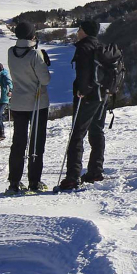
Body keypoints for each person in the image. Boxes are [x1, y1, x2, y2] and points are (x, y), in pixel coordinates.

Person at [58, 19, 106, 191]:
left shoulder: (83, 47)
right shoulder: (100, 46)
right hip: (102, 96)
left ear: (84, 31)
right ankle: (95, 171)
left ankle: (72, 177)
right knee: (97, 132)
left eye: (79, 29)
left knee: (77, 135)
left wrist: (82, 90)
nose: (77, 32)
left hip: (87, 97)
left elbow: (83, 72)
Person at [7, 21, 51, 194]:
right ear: (33, 35)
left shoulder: (11, 52)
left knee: (18, 143)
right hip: (37, 103)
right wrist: (44, 63)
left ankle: (14, 181)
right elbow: (45, 79)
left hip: (18, 102)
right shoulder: (35, 54)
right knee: (36, 142)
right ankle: (34, 181)